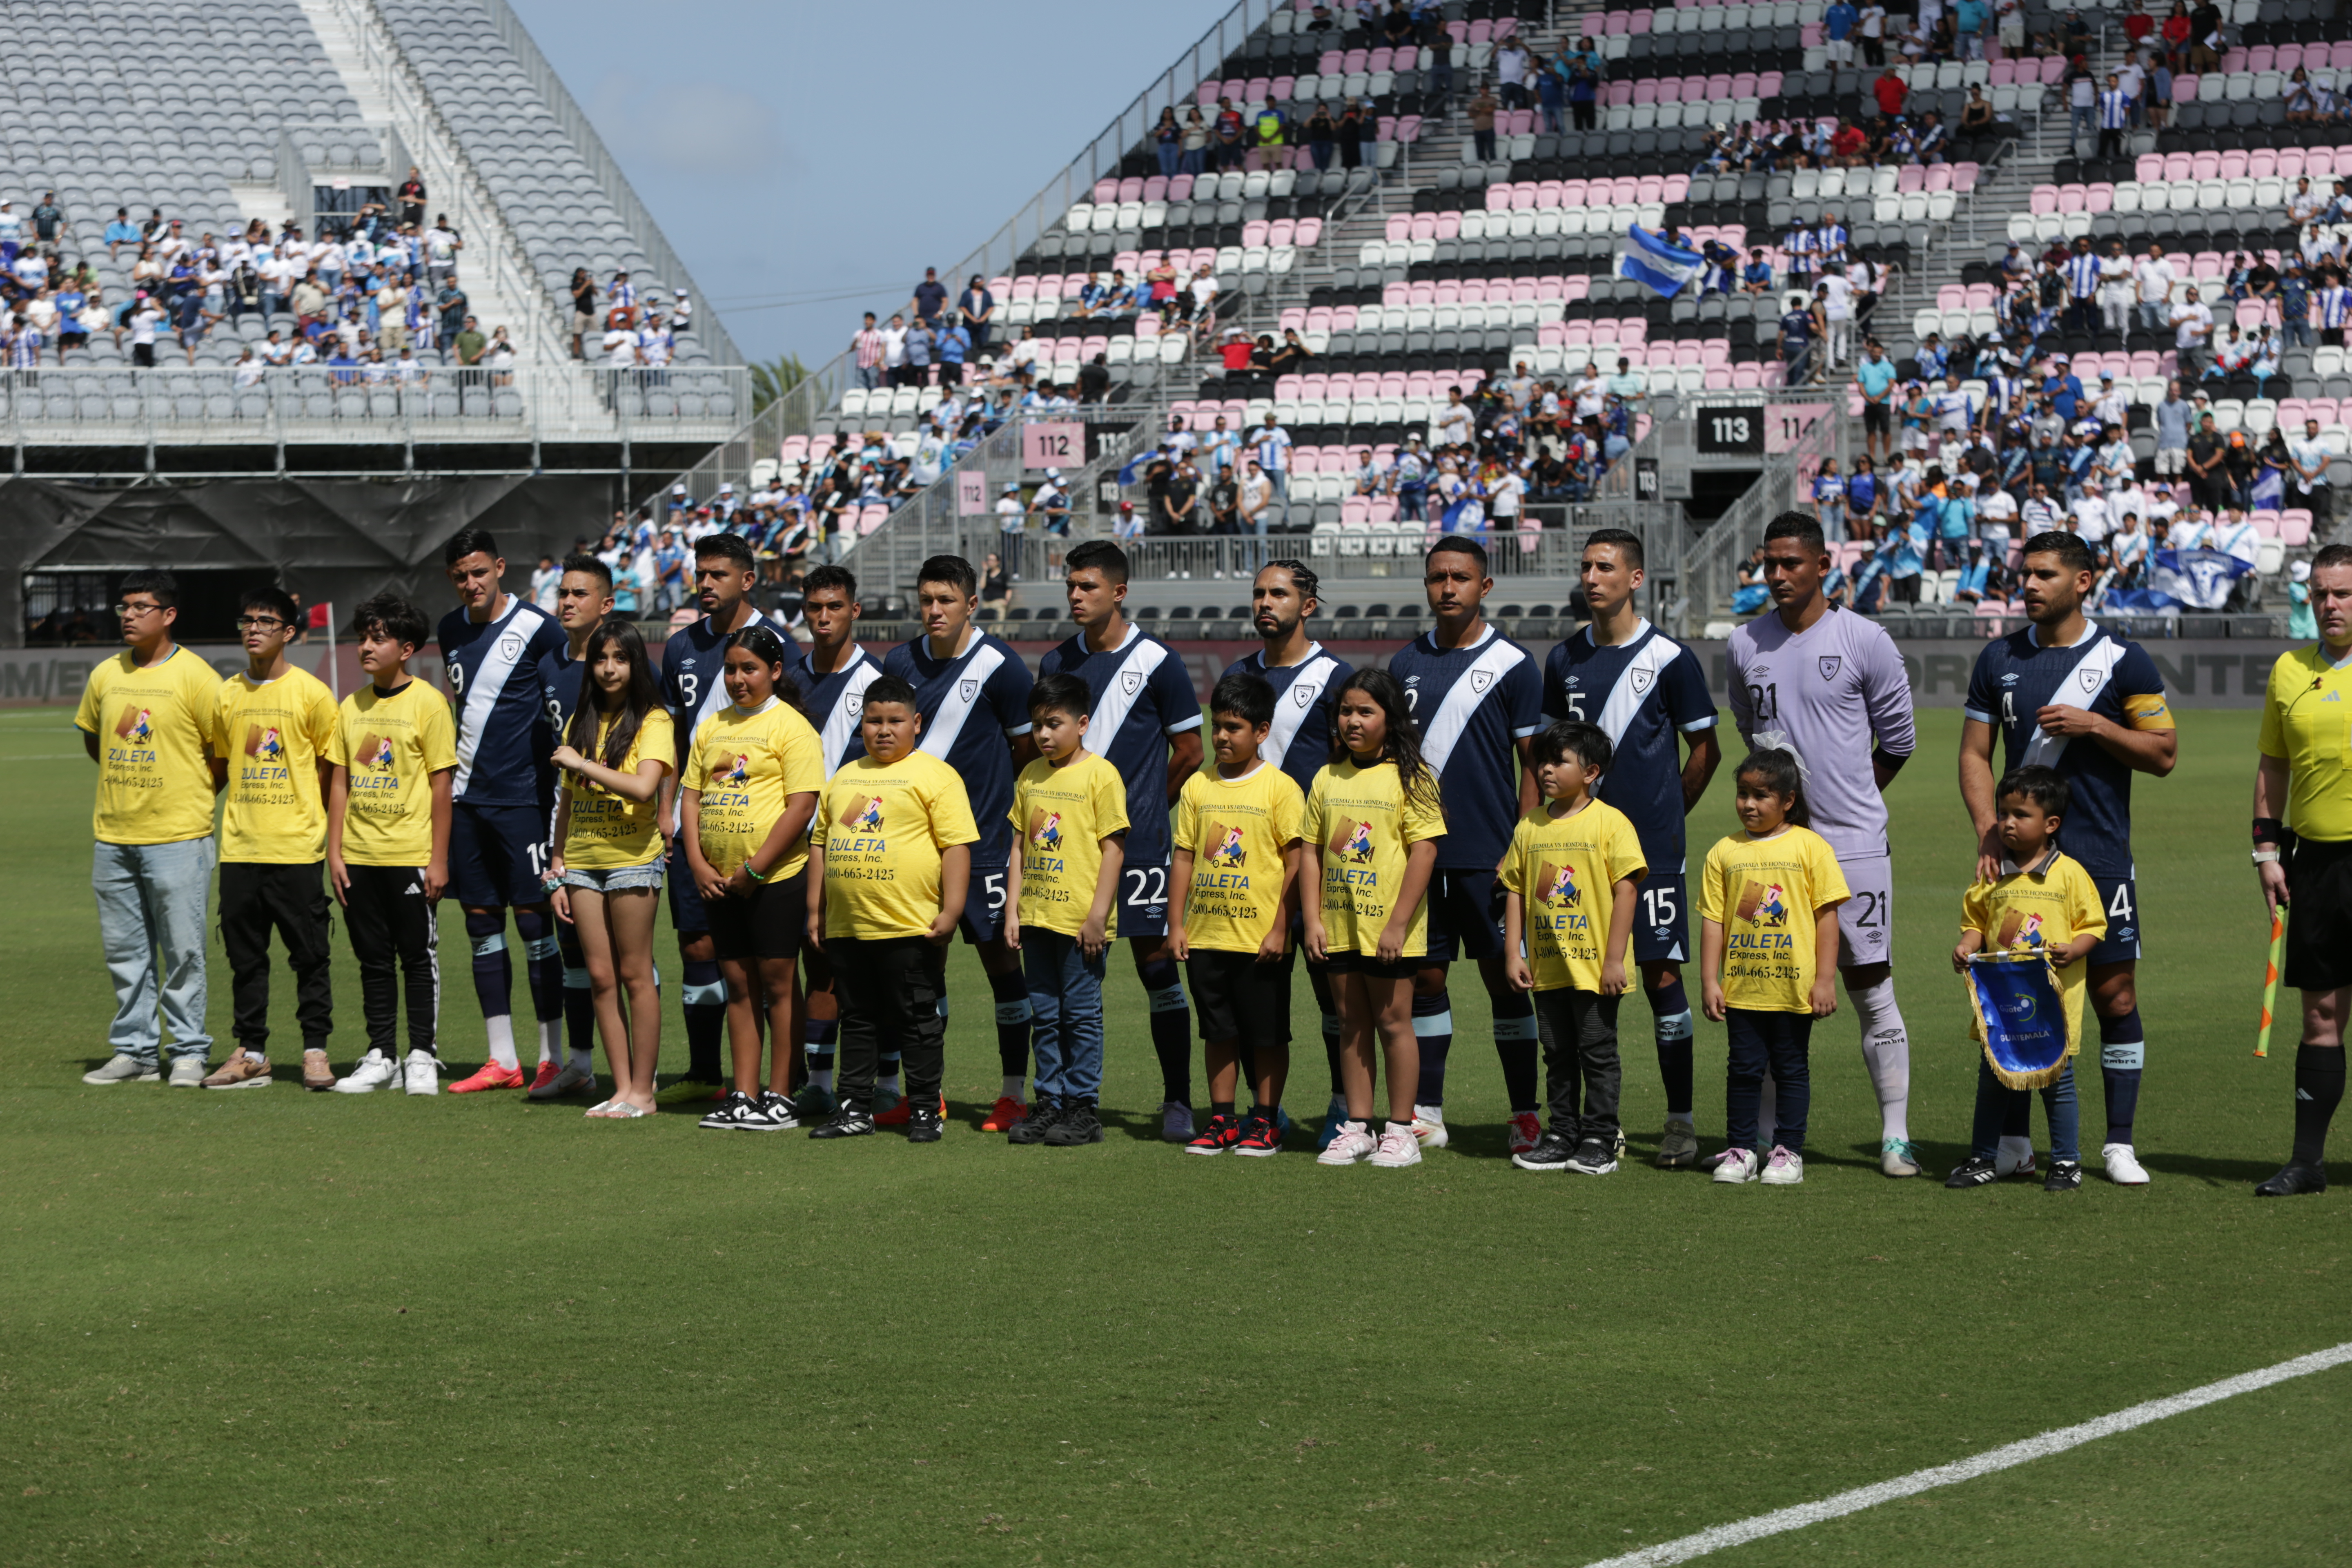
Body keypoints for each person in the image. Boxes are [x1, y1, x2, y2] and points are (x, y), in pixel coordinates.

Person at [1960, 530, 2174, 1185]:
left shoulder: (2123, 660)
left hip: (2101, 856)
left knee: (2114, 994)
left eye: (2046, 575)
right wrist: (1988, 829)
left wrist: (2099, 728)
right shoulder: (1997, 658)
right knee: (2016, 994)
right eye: (2026, 574)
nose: (2029, 585)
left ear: (2083, 582)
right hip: (2020, 863)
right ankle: (2016, 1144)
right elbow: (1974, 755)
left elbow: (2163, 753)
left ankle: (2118, 1143)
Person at [1725, 513, 1923, 1176]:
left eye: (1791, 564)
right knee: (1768, 991)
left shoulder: (1865, 639)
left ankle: (1895, 1137)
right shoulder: (1743, 643)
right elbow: (1751, 735)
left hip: (1854, 845)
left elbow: (1898, 741)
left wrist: (1849, 801)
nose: (1778, 576)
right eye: (1769, 565)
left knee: (1870, 985)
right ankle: (1762, 1140)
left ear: (1822, 566)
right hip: (1773, 852)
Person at [1541, 531, 1722, 1168]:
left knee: (1660, 977)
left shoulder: (1671, 659)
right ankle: (1595, 1125)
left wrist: (1669, 815)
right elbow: (1546, 754)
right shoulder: (1563, 660)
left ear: (1636, 578)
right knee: (1585, 979)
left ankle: (1680, 1121)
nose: (1593, 577)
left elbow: (1705, 750)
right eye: (1586, 567)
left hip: (1652, 852)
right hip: (1574, 857)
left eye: (1606, 567)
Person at [1038, 541, 1208, 1140]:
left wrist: (1140, 812)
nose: (1076, 596)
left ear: (1119, 591)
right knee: (1066, 982)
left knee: (1158, 970)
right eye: (1071, 586)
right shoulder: (1057, 662)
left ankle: (1179, 1100)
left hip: (1137, 853)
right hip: (1063, 856)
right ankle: (1065, 1102)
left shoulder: (1158, 661)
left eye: (1088, 586)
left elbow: (1190, 750)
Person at [1387, 538, 1546, 1155]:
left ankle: (1525, 1113)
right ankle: (1427, 1110)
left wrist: (1521, 846)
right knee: (1427, 978)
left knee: (1507, 982)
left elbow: (1532, 765)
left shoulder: (1514, 664)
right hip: (1419, 856)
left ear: (1486, 587)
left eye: (1460, 577)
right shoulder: (1404, 664)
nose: (1447, 588)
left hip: (1490, 854)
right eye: (1437, 578)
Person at [884, 555, 1039, 1129]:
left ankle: (1012, 1092)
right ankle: (929, 1094)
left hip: (986, 848)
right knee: (924, 972)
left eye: (946, 600)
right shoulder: (900, 661)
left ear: (971, 604)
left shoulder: (1003, 667)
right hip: (916, 849)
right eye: (926, 599)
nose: (934, 610)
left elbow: (1025, 753)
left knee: (1003, 968)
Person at [803, 677, 978, 1142]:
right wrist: (815, 910)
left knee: (917, 1020)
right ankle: (854, 1109)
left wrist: (953, 910)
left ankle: (924, 1109)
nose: (884, 730)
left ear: (916, 724)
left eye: (895, 721)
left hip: (909, 926)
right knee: (856, 1019)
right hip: (849, 925)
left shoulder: (936, 776)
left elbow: (956, 847)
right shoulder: (845, 778)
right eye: (874, 721)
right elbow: (821, 843)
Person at [76, 571, 225, 1087]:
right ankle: (135, 1051)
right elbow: (97, 742)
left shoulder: (198, 677)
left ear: (169, 615)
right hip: (113, 836)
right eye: (125, 606)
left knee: (183, 951)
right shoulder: (106, 674)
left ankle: (188, 1052)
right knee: (125, 952)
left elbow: (220, 753)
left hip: (179, 836)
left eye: (142, 606)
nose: (129, 615)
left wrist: (189, 799)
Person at [435, 528, 571, 1094]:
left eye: (479, 573)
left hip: (523, 801)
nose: (471, 584)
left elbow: (561, 703)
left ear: (499, 568)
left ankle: (551, 1056)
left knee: (535, 925)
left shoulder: (540, 628)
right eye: (461, 576)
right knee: (480, 924)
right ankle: (501, 1060)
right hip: (468, 800)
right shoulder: (448, 630)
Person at [1223, 561, 1354, 1140]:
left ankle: (1342, 1104)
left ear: (1308, 606)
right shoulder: (1237, 673)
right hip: (1247, 864)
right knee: (1255, 993)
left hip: (1317, 858)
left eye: (1279, 594)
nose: (1265, 603)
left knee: (1332, 988)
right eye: (1258, 593)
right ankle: (1263, 1111)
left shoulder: (1335, 676)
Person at [681, 626, 824, 1132]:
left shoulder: (792, 728)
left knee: (780, 986)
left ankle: (782, 1095)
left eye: (750, 669)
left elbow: (802, 805)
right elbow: (691, 797)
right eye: (732, 669)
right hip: (718, 881)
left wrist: (756, 867)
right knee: (737, 985)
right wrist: (698, 862)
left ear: (776, 671)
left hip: (777, 878)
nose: (739, 679)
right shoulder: (712, 726)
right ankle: (743, 1093)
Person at [1303, 668, 1446, 1169]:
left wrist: (1397, 925)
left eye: (1366, 712)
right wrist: (1313, 919)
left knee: (1392, 1022)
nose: (1354, 721)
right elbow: (1311, 852)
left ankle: (1402, 1131)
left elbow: (1425, 852)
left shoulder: (1414, 777)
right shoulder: (1326, 776)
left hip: (1389, 930)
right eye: (1346, 711)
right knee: (1351, 1023)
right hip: (1338, 926)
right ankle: (1358, 1128)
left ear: (1391, 718)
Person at [1943, 766, 2107, 1192]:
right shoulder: (1992, 871)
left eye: (2021, 814)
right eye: (2003, 812)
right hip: (2001, 1004)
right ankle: (1983, 1157)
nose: (2008, 822)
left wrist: (2075, 950)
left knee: (2058, 1083)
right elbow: (1975, 921)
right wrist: (1966, 945)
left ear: (2051, 824)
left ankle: (2067, 1162)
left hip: (2053, 1008)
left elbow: (2094, 925)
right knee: (1994, 1080)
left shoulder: (2068, 873)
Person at [203, 586, 339, 1090]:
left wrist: (312, 825)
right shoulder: (227, 694)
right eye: (247, 620)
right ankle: (251, 1051)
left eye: (266, 620)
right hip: (240, 848)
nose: (253, 628)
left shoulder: (313, 694)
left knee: (310, 957)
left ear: (289, 632)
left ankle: (315, 1051)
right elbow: (220, 764)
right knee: (245, 959)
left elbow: (330, 772)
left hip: (297, 849)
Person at [657, 532, 777, 1102]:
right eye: (700, 574)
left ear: (747, 580)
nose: (706, 584)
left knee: (768, 957)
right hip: (693, 825)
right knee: (698, 947)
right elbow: (670, 735)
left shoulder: (776, 644)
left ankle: (782, 1078)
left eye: (718, 575)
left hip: (760, 828)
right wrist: (665, 809)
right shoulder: (680, 646)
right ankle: (706, 1072)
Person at [1697, 747, 1851, 1185]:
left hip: (1793, 989)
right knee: (1743, 1069)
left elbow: (1827, 920)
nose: (1749, 804)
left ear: (1788, 800)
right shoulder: (1724, 852)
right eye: (1743, 793)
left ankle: (1788, 1152)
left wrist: (1825, 980)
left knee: (1790, 1068)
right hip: (1742, 988)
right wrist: (1711, 980)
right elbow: (1713, 922)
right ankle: (1742, 1150)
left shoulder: (1811, 847)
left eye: (1761, 795)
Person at [1501, 719, 1648, 1175]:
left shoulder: (1611, 822)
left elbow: (1627, 891)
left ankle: (1600, 1138)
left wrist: (1614, 959)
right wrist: (1513, 952)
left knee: (1597, 1054)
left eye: (1559, 761)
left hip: (1595, 970)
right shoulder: (1530, 825)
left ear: (1591, 772)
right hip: (1548, 969)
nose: (1546, 769)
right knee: (1557, 1053)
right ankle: (1562, 1134)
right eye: (1542, 760)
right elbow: (1515, 890)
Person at [2250, 543, 2352, 1196]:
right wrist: (2266, 852)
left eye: (2343, 593)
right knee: (2320, 1016)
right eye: (2321, 593)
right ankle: (2307, 1163)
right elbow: (2273, 765)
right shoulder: (2290, 669)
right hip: (2314, 862)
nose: (2331, 604)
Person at [324, 595, 456, 1095]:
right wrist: (335, 852)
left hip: (410, 857)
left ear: (406, 649)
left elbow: (442, 785)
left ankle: (422, 1054)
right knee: (372, 959)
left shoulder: (428, 702)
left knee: (417, 957)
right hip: (359, 857)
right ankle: (381, 1054)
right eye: (363, 637)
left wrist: (438, 860)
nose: (365, 647)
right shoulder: (350, 706)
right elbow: (340, 783)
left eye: (378, 639)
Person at [1172, 673, 1307, 1156]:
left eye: (1235, 728)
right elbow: (1185, 856)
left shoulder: (1281, 789)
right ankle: (1223, 1120)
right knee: (1218, 1032)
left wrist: (1280, 929)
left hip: (1260, 941)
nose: (1223, 737)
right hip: (1207, 934)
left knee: (1266, 1036)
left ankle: (1265, 1121)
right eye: (1218, 727)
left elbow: (1296, 863)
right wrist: (1176, 924)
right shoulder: (1197, 788)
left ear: (1262, 732)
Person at [548, 619, 675, 1120]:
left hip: (632, 864)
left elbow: (644, 788)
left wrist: (581, 765)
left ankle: (644, 1091)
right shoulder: (581, 718)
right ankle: (622, 1089)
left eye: (620, 659)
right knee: (600, 978)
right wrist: (558, 863)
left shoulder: (655, 721)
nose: (608, 668)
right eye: (601, 659)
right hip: (581, 863)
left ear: (636, 663)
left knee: (634, 974)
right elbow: (566, 802)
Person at [1002, 673, 1129, 1147]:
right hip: (1036, 918)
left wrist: (1098, 916)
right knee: (1046, 1014)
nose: (1044, 735)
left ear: (1082, 724)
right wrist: (1013, 910)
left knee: (1080, 1016)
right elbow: (1019, 846)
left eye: (1054, 724)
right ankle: (1049, 1104)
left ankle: (1083, 1109)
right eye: (1037, 725)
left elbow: (1113, 850)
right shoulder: (1031, 774)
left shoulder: (1102, 775)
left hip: (1081, 924)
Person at [787, 565, 884, 1116]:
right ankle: (819, 1083)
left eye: (835, 607)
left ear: (855, 611)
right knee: (816, 960)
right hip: (796, 845)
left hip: (864, 847)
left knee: (880, 964)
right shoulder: (790, 678)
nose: (824, 618)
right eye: (815, 607)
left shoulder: (879, 677)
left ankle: (888, 1081)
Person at [538, 554, 617, 1094]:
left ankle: (640, 1070)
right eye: (563, 592)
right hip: (568, 821)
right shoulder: (548, 664)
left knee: (626, 954)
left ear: (606, 605)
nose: (567, 602)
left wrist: (662, 815)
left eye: (580, 594)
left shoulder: (622, 662)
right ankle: (581, 1066)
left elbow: (662, 742)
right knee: (574, 948)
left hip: (623, 825)